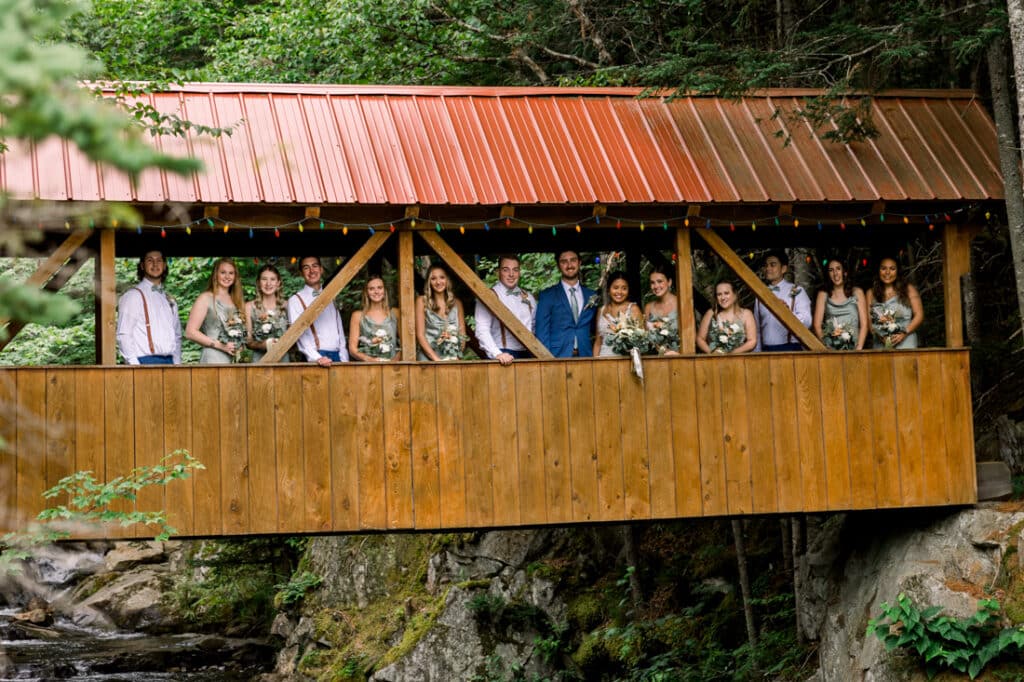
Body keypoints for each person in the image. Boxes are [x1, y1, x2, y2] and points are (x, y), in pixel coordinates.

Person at [116, 250, 182, 365]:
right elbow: (124, 334)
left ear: (164, 265)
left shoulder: (169, 300)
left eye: (159, 260)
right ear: (142, 265)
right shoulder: (133, 296)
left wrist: (177, 363)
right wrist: (134, 366)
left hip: (170, 362)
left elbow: (177, 335)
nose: (155, 264)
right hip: (144, 362)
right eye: (150, 260)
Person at [475, 254, 536, 366]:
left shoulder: (529, 297)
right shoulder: (489, 296)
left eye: (515, 270)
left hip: (528, 355)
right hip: (502, 356)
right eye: (506, 270)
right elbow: (481, 330)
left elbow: (534, 326)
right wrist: (497, 354)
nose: (511, 274)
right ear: (498, 272)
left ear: (519, 272)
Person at [287, 256, 350, 365]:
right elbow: (298, 335)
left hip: (339, 356)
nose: (312, 271)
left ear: (321, 269)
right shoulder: (295, 300)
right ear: (301, 273)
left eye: (315, 266)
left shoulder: (331, 295)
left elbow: (339, 329)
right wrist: (316, 358)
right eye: (306, 268)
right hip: (315, 358)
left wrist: (344, 357)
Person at [535, 249, 597, 357]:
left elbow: (596, 328)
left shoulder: (591, 296)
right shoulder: (547, 296)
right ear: (558, 266)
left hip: (585, 356)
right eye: (564, 262)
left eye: (573, 260)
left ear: (579, 262)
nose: (569, 265)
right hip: (557, 357)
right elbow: (541, 333)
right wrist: (546, 359)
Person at [184, 258, 247, 364]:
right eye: (223, 272)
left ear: (235, 276)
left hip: (234, 359)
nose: (227, 276)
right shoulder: (205, 298)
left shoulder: (237, 301)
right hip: (213, 357)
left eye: (231, 273)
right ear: (215, 274)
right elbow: (190, 332)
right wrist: (221, 345)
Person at [753, 249, 811, 351]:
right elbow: (757, 329)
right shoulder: (760, 295)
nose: (768, 268)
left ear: (783, 268)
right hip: (766, 352)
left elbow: (807, 321)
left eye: (773, 264)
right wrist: (756, 354)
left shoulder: (797, 291)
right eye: (766, 265)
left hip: (790, 349)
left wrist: (788, 314)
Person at [866, 256, 923, 349]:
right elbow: (870, 322)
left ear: (898, 271)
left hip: (907, 343)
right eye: (883, 268)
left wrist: (905, 332)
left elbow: (919, 315)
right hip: (881, 346)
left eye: (892, 269)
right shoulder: (870, 293)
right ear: (878, 271)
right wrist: (881, 337)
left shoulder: (909, 289)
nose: (887, 272)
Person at [813, 258, 868, 351]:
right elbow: (817, 325)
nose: (835, 274)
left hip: (854, 348)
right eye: (831, 270)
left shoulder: (857, 292)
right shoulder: (823, 294)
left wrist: (858, 348)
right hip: (832, 349)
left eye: (838, 269)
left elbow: (864, 324)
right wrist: (827, 347)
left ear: (845, 272)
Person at [415, 265, 467, 361]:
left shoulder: (457, 303)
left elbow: (462, 334)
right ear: (429, 282)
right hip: (428, 357)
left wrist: (457, 356)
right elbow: (420, 335)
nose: (438, 282)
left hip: (452, 356)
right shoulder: (421, 301)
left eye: (442, 277)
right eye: (433, 278)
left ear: (447, 279)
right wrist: (436, 360)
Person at [348, 275, 401, 362]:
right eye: (371, 289)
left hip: (394, 368)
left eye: (379, 288)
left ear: (385, 291)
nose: (376, 291)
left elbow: (406, 344)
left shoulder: (395, 313)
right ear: (367, 293)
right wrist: (370, 360)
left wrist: (394, 362)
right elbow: (352, 349)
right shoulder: (358, 316)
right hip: (368, 367)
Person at [697, 281, 757, 354]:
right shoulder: (711, 313)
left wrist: (732, 354)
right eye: (719, 294)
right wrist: (712, 353)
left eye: (726, 293)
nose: (723, 297)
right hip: (714, 360)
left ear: (735, 295)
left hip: (739, 360)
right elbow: (700, 339)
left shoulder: (746, 314)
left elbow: (752, 341)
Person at [246, 264, 290, 363]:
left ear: (278, 283)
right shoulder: (249, 307)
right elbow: (248, 341)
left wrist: (283, 344)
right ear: (258, 283)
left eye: (273, 279)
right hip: (259, 360)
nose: (268, 283)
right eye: (264, 279)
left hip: (283, 360)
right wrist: (263, 345)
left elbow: (296, 337)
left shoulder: (287, 306)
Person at [593, 272, 644, 357]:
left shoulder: (633, 309)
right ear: (609, 289)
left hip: (625, 361)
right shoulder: (601, 310)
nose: (619, 292)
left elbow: (641, 341)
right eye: (615, 288)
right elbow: (598, 342)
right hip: (602, 361)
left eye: (624, 288)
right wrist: (594, 365)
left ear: (628, 290)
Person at [643, 264, 680, 355]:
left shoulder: (681, 304)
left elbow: (691, 336)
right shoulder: (648, 308)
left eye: (660, 281)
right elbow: (645, 337)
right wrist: (662, 351)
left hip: (679, 358)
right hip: (655, 359)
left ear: (669, 282)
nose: (656, 286)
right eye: (652, 282)